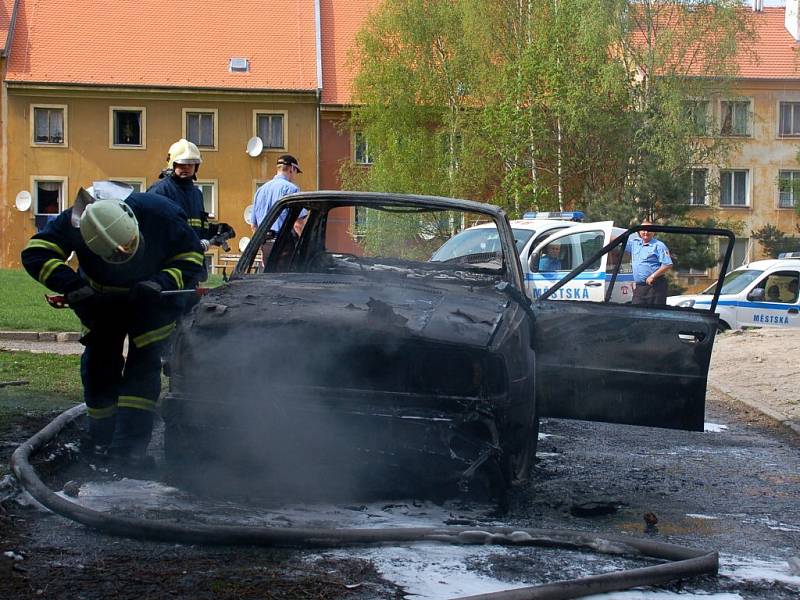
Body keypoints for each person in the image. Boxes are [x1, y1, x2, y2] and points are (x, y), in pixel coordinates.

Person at [21, 182, 205, 469]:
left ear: (132, 221)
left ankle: (129, 451)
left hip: (150, 302)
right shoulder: (76, 220)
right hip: (100, 303)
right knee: (98, 369)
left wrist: (162, 282)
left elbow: (192, 257)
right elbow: (36, 253)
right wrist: (73, 285)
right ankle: (99, 442)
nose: (121, 257)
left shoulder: (162, 214)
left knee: (142, 372)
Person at [147, 139, 235, 271]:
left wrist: (215, 230)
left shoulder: (196, 193)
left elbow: (195, 228)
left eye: (191, 164)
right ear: (172, 164)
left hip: (193, 265)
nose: (187, 168)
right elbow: (153, 231)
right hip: (167, 266)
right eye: (182, 164)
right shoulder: (160, 191)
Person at [252, 154, 302, 265]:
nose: (295, 176)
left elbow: (254, 226)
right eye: (296, 172)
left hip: (266, 245)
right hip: (284, 246)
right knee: (286, 281)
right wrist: (306, 246)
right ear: (291, 169)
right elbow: (298, 224)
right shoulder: (292, 189)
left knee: (268, 280)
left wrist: (262, 249)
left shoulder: (260, 191)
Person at [625, 221, 673, 305]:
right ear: (639, 231)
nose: (646, 232)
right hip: (640, 288)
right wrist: (606, 234)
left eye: (649, 230)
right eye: (643, 230)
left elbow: (668, 264)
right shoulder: (635, 244)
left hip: (655, 286)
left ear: (653, 232)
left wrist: (653, 276)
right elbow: (618, 241)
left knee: (654, 314)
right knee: (636, 312)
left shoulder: (659, 245)